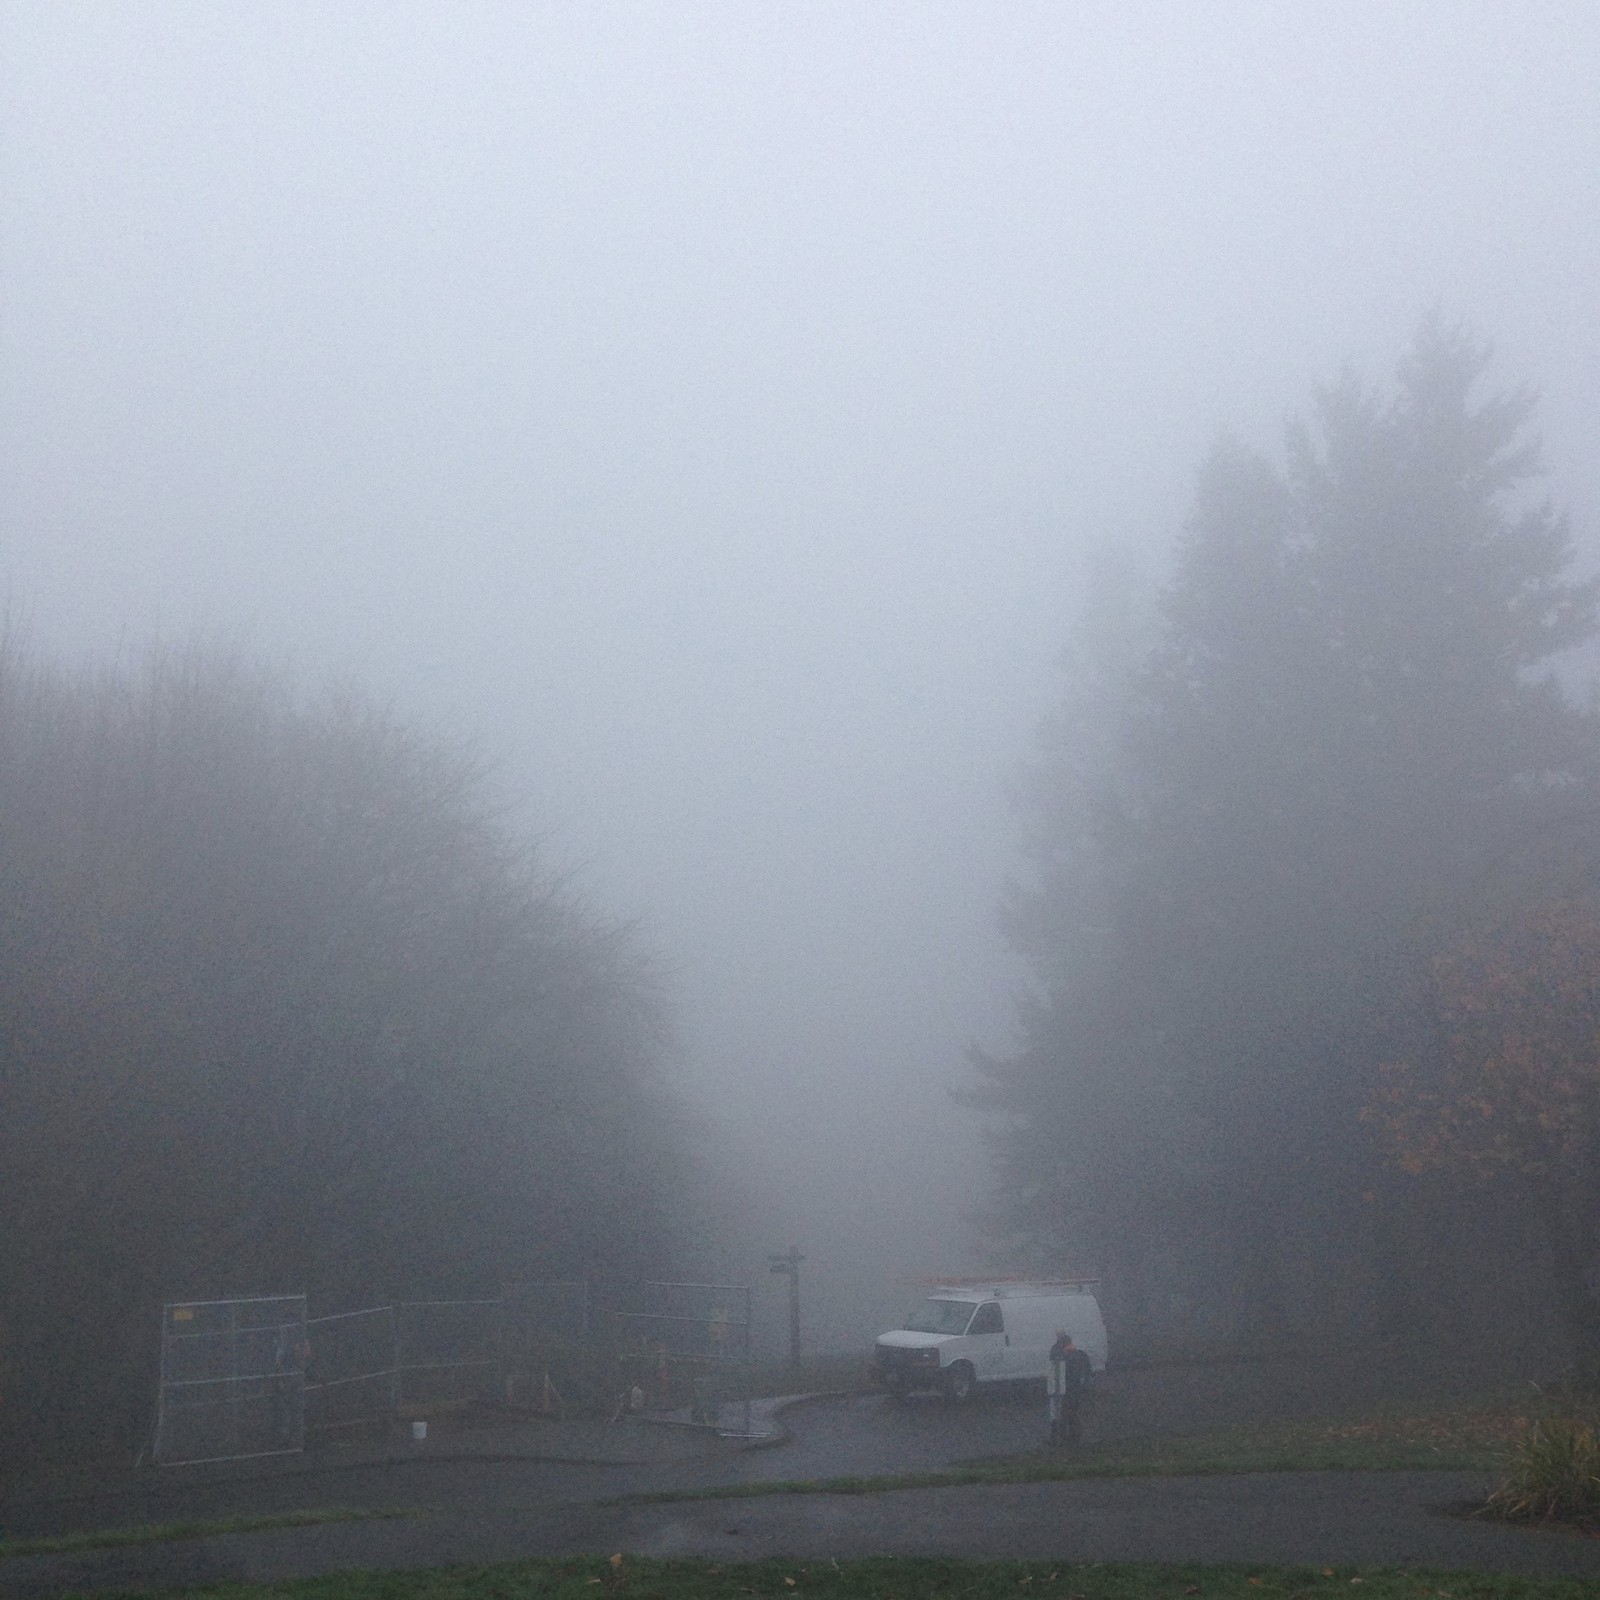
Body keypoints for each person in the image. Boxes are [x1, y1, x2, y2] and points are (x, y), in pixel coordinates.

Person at [1047, 1330, 1092, 1447]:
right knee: (1073, 1415)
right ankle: (1074, 1439)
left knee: (1061, 1415)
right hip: (1075, 1390)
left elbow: (1055, 1373)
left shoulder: (1061, 1356)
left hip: (1064, 1391)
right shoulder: (1081, 1355)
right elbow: (1087, 1373)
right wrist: (1085, 1389)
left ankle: (1060, 1440)